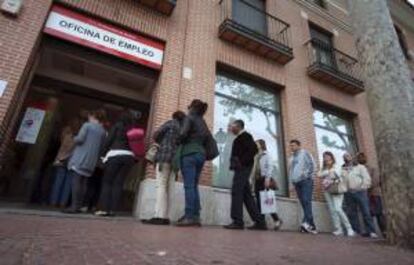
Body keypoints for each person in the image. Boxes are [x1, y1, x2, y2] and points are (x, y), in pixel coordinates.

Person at [142, 111, 186, 225]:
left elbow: (156, 135)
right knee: (170, 187)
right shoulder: (183, 128)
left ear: (174, 116)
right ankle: (166, 217)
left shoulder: (170, 123)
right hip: (175, 161)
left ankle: (159, 216)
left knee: (161, 185)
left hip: (164, 158)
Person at [224, 120, 266, 230]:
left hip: (243, 168)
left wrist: (241, 162)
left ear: (238, 126)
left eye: (232, 126)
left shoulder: (246, 136)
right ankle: (260, 222)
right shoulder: (240, 137)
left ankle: (237, 221)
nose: (230, 128)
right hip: (242, 168)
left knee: (236, 191)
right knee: (247, 195)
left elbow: (254, 149)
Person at [95, 111, 139, 217]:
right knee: (118, 183)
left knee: (107, 182)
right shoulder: (133, 129)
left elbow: (108, 141)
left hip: (115, 155)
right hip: (129, 157)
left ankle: (103, 209)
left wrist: (101, 155)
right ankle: (113, 210)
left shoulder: (117, 126)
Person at [174, 100, 210, 227]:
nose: (188, 109)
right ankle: (196, 216)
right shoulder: (203, 121)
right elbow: (207, 138)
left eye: (189, 107)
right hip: (201, 154)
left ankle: (189, 216)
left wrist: (177, 141)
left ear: (192, 108)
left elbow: (183, 134)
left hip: (189, 154)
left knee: (189, 186)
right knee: (194, 186)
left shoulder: (190, 118)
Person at [64, 110, 106, 214]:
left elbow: (80, 139)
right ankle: (80, 206)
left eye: (89, 116)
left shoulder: (87, 126)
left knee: (76, 182)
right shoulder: (102, 131)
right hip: (91, 161)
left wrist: (74, 137)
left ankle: (74, 206)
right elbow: (102, 147)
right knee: (84, 184)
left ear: (93, 116)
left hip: (81, 157)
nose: (88, 118)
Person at [342, 152, 378, 238]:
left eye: (348, 155)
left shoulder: (360, 167)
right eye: (344, 156)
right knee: (352, 213)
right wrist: (345, 189)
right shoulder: (342, 169)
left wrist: (362, 187)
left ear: (352, 157)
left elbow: (367, 178)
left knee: (365, 211)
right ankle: (356, 230)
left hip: (360, 192)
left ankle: (371, 231)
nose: (346, 157)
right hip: (348, 193)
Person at [319, 151, 355, 237]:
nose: (326, 158)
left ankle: (349, 228)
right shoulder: (324, 167)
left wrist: (328, 173)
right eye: (324, 156)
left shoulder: (336, 165)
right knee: (332, 210)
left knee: (338, 208)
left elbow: (337, 174)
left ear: (331, 157)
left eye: (327, 156)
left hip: (336, 188)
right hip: (327, 189)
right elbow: (319, 174)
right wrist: (328, 172)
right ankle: (338, 229)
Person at [49, 118, 81, 208]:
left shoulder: (65, 134)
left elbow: (61, 142)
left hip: (61, 159)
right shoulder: (79, 138)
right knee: (68, 183)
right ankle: (63, 203)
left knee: (58, 182)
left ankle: (53, 202)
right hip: (72, 161)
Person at [252, 139, 283, 230]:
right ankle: (263, 223)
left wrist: (267, 179)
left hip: (264, 179)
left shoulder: (267, 155)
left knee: (265, 201)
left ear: (261, 145)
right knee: (260, 202)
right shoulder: (257, 156)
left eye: (256, 144)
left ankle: (267, 222)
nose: (255, 145)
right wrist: (251, 180)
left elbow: (270, 167)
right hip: (257, 180)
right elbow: (255, 169)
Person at [288, 139, 317, 234]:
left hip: (306, 181)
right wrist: (291, 183)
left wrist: (307, 176)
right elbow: (291, 171)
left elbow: (312, 165)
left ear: (298, 146)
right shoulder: (291, 158)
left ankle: (306, 222)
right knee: (304, 203)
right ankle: (312, 226)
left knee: (306, 200)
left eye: (293, 145)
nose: (291, 147)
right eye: (291, 145)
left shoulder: (305, 153)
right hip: (297, 183)